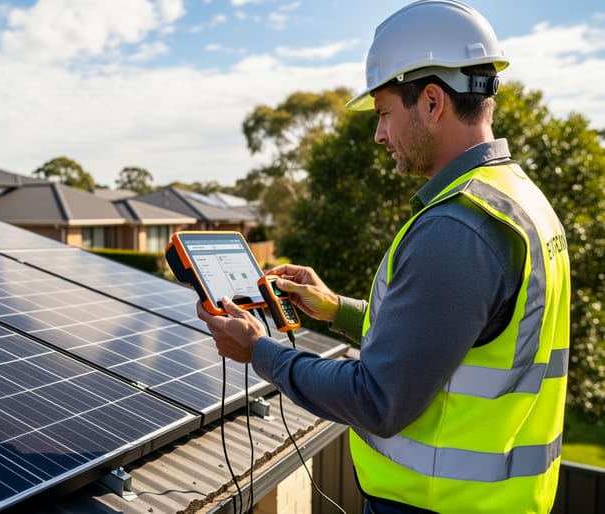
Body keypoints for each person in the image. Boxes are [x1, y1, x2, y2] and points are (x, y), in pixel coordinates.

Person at [196, 1, 571, 513]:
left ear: (433, 101)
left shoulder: (457, 227)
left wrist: (260, 351)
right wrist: (334, 309)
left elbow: (378, 398)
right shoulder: (519, 198)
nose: (378, 135)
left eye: (384, 114)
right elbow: (445, 344)